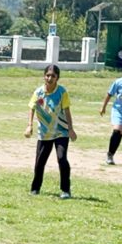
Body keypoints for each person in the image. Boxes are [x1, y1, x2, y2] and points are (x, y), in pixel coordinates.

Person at [24, 64, 77, 199]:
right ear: (44, 76)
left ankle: (65, 190)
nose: (49, 78)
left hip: (61, 132)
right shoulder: (38, 93)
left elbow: (67, 110)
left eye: (53, 76)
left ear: (57, 78)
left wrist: (70, 129)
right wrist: (29, 126)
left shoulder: (62, 92)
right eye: (47, 75)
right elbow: (32, 107)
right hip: (44, 133)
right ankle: (35, 189)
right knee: (40, 162)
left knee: (62, 159)